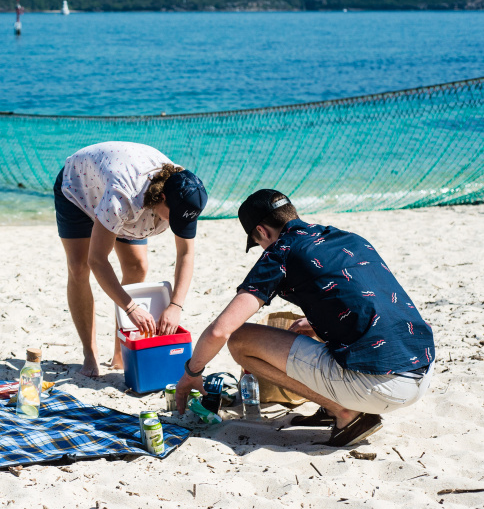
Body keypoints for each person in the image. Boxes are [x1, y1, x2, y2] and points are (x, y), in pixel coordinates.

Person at [175, 189, 435, 447]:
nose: (262, 249)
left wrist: (192, 372)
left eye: (258, 243)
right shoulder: (347, 238)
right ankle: (339, 403)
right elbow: (370, 297)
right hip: (422, 370)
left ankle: (344, 412)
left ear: (262, 231)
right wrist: (315, 322)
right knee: (314, 325)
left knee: (240, 340)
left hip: (379, 386)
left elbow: (220, 331)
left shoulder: (281, 251)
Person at [54, 141, 208, 377]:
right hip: (80, 186)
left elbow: (185, 253)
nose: (177, 225)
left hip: (119, 190)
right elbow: (98, 260)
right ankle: (90, 354)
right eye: (175, 218)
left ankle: (121, 354)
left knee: (137, 266)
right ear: (162, 197)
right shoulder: (124, 197)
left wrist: (176, 306)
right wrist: (131, 307)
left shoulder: (187, 195)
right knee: (79, 266)